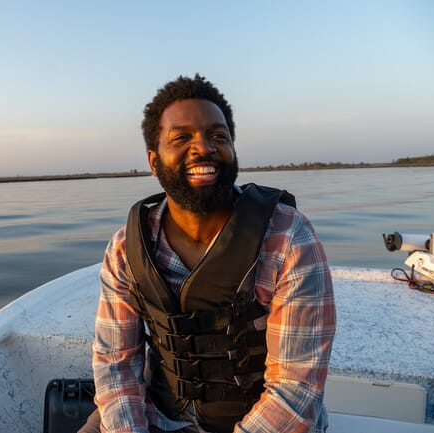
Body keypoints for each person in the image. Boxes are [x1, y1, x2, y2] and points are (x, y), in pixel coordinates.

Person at [79, 74, 336, 433]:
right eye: (181, 137)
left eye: (218, 136)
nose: (204, 148)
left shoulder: (288, 237)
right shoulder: (125, 249)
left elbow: (296, 388)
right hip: (157, 417)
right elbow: (115, 363)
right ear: (154, 162)